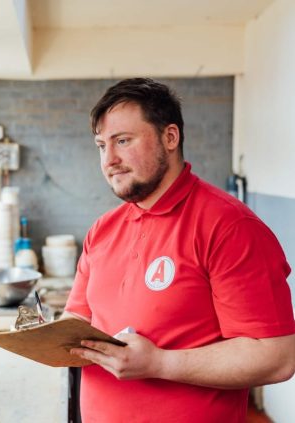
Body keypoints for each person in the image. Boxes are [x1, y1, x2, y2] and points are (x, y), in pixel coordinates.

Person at [64, 78, 295, 422]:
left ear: (169, 138)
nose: (109, 160)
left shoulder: (229, 226)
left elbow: (276, 357)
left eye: (123, 141)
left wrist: (160, 363)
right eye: (101, 146)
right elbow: (78, 318)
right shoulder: (102, 230)